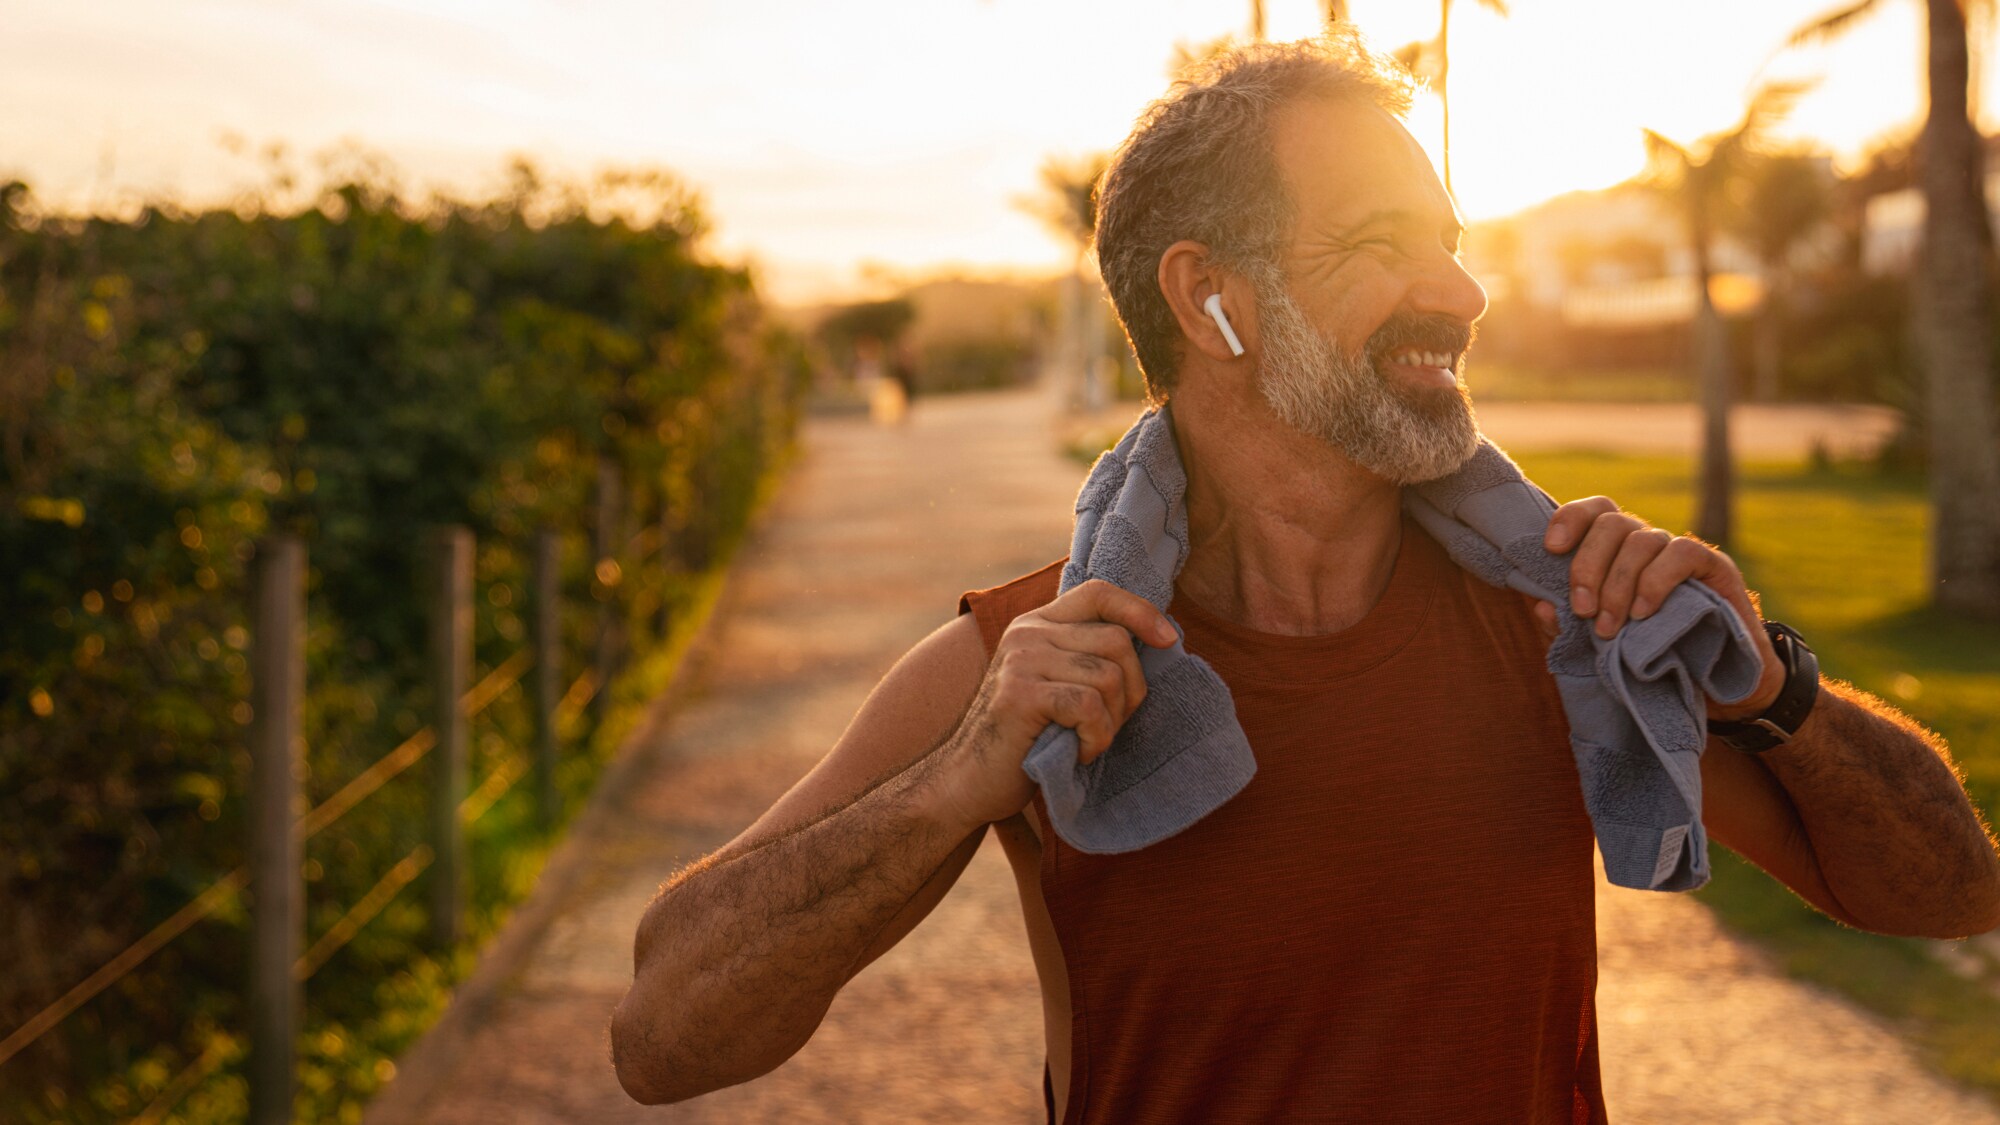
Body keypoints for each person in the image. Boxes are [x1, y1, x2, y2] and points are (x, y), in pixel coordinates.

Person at [611, 33, 2000, 1123]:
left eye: (1451, 243)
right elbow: (663, 1036)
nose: (1458, 291)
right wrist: (958, 778)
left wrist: (1767, 681)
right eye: (1383, 242)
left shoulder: (1563, 626)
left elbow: (1951, 892)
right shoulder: (1022, 667)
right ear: (1211, 296)